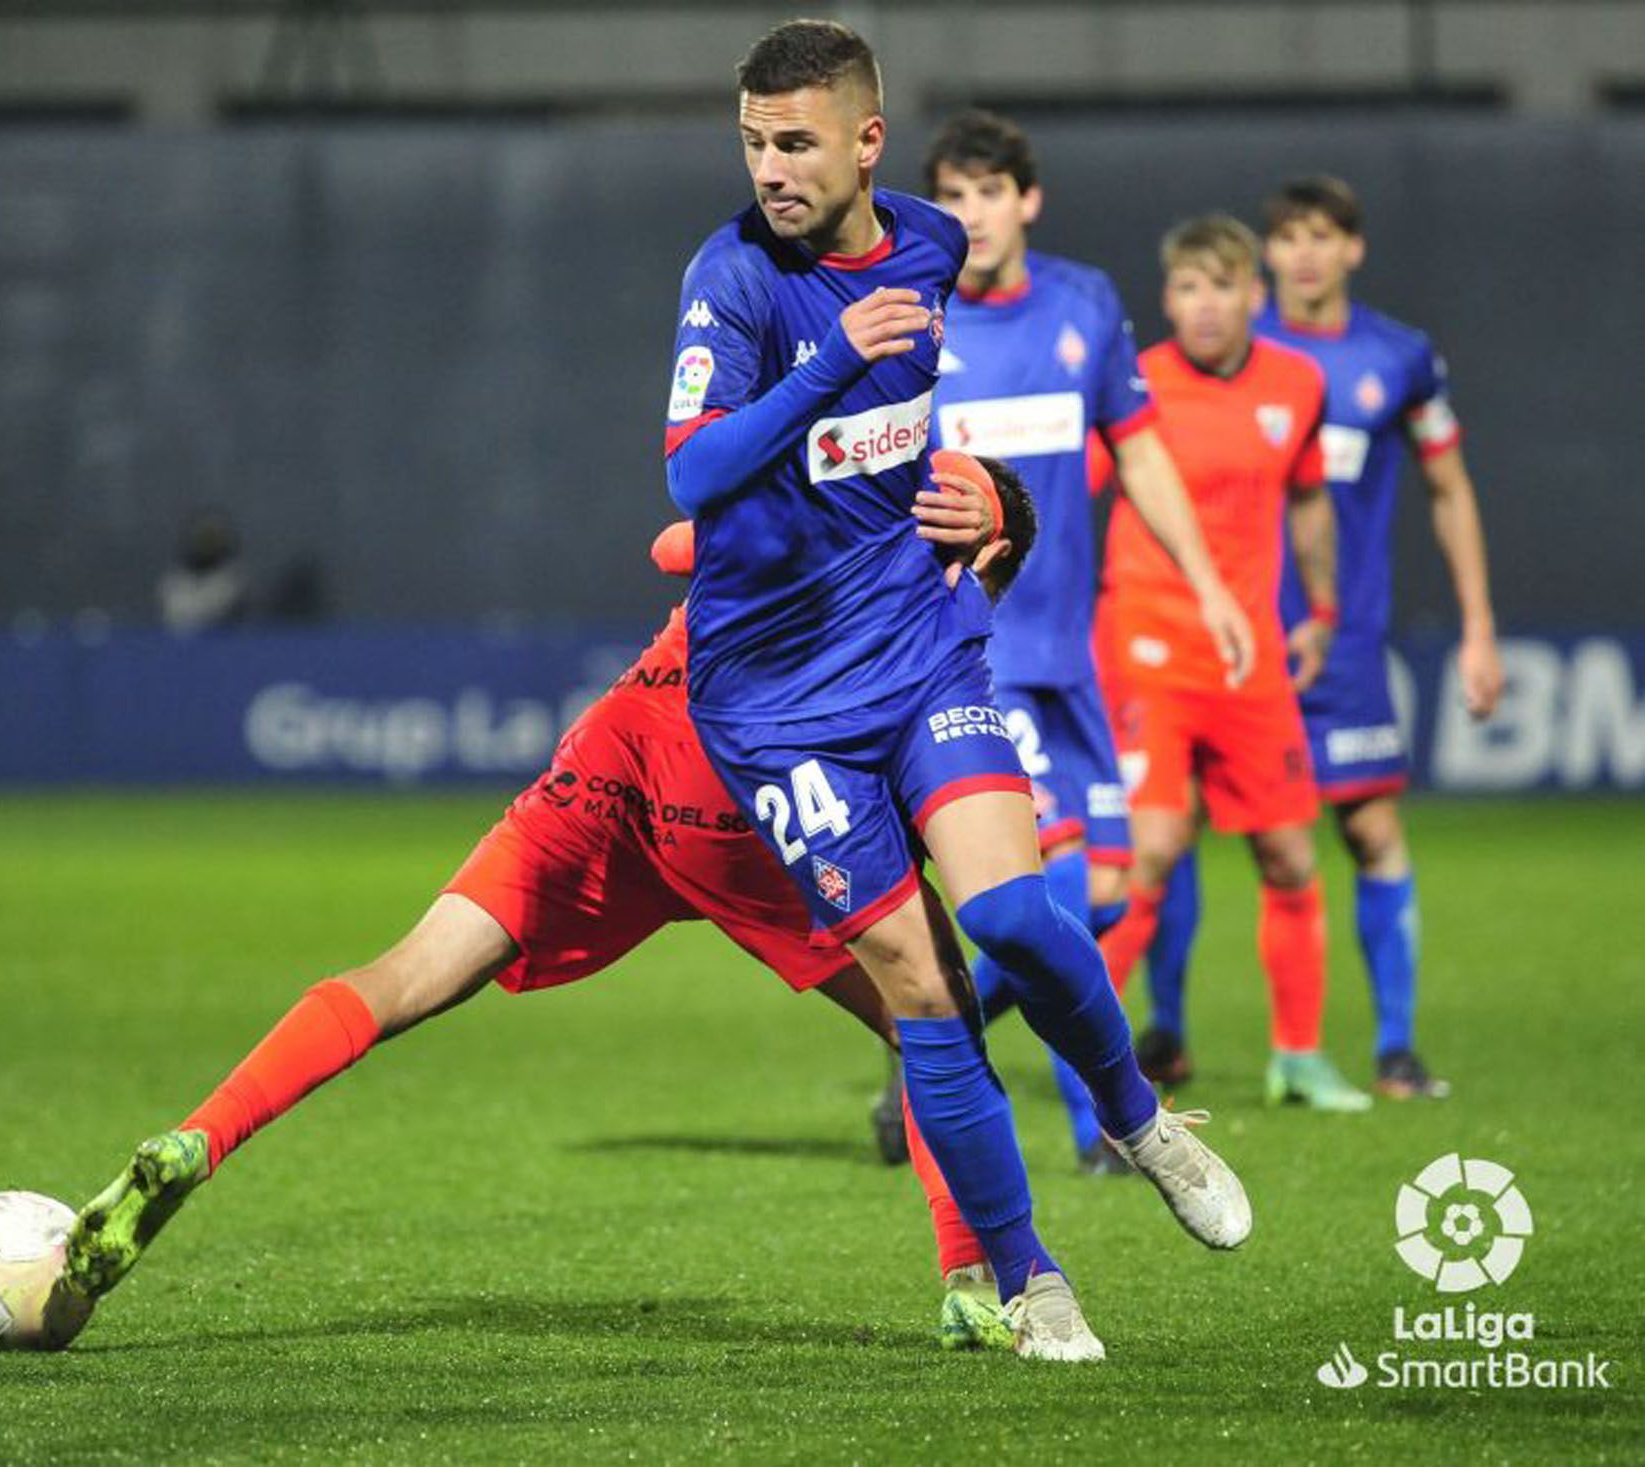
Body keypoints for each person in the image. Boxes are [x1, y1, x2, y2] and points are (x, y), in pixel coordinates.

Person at [61, 459, 1044, 1355]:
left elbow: (671, 545)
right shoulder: (924, 626)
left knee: (411, 971)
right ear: (988, 557)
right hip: (738, 799)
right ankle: (967, 1278)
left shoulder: (821, 513)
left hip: (617, 749)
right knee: (934, 1016)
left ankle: (201, 1137)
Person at [663, 19, 1249, 1361]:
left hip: (920, 643)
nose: (771, 168)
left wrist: (976, 490)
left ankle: (1139, 1119)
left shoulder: (931, 241)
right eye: (753, 141)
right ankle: (1032, 1276)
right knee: (927, 994)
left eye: (796, 140)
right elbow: (692, 478)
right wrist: (827, 368)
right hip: (773, 704)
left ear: (868, 140)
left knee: (1024, 915)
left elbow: (905, 433)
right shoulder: (732, 278)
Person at [895, 108, 1253, 1174]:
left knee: (1100, 893)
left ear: (1025, 200)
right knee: (1050, 893)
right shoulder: (908, 316)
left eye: (987, 194)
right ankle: (1105, 1125)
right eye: (950, 197)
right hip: (969, 655)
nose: (970, 216)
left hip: (1071, 656)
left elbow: (1138, 456)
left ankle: (931, 1037)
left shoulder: (1084, 304)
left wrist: (1210, 588)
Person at [1135, 177, 1502, 1101]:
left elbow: (1447, 487)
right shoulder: (1205, 355)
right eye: (1287, 237)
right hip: (1209, 644)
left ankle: (1391, 1046)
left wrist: (1477, 625)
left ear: (1353, 249)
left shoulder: (1397, 359)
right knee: (1166, 835)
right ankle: (1163, 1032)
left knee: (1366, 829)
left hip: (1328, 643)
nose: (1304, 253)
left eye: (1323, 235)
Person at [1092, 213, 1370, 1112]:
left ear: (1255, 294)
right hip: (1146, 647)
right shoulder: (1136, 387)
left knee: (1291, 856)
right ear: (1167, 300)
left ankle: (1298, 1056)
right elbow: (1070, 487)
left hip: (1247, 658)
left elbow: (1311, 502)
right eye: (1185, 289)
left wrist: (1321, 612)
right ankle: (1092, 1062)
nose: (1202, 307)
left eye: (1220, 287)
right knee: (1152, 850)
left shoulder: (1297, 383)